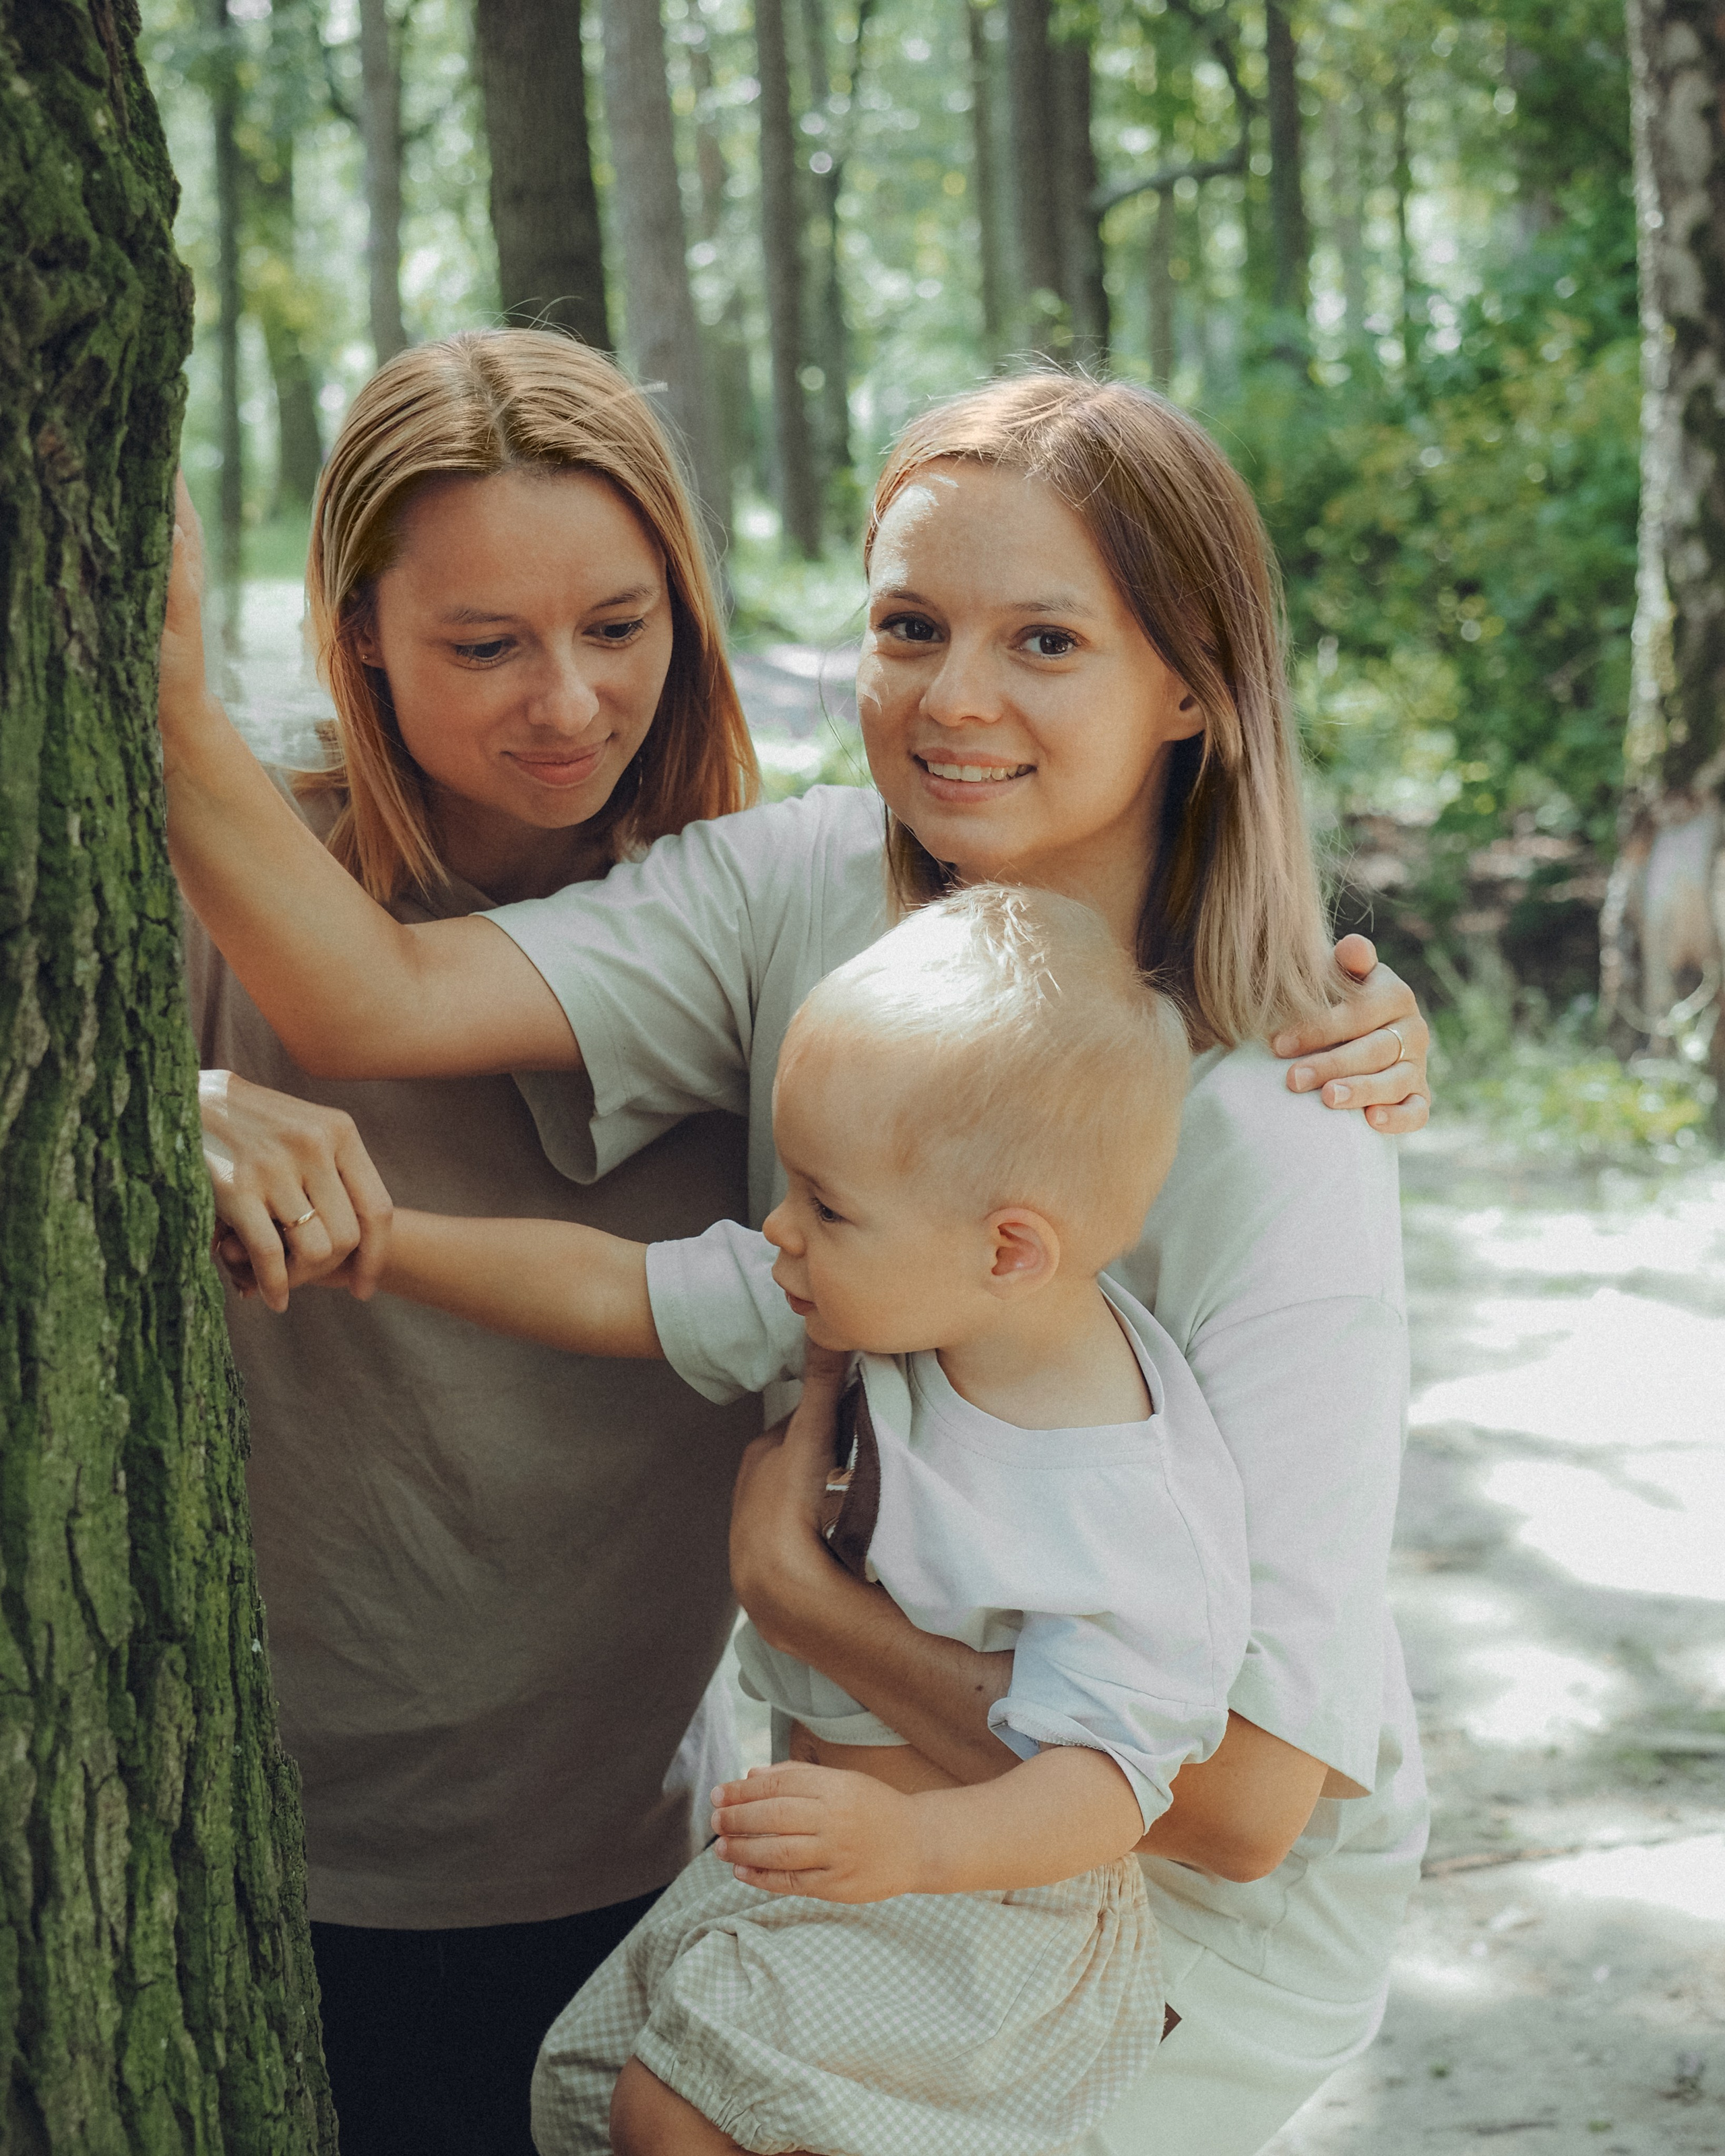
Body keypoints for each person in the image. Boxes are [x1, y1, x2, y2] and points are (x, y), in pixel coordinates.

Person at [164, 369, 1433, 2155]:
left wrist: (806, 1599)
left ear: (1194, 691)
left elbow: (1236, 1805)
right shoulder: (812, 887)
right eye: (912, 627)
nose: (956, 699)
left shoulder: (1279, 1123)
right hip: (886, 1821)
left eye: (1047, 642)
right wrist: (158, 686)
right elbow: (376, 995)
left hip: (1161, 1892)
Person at [305, 884, 1249, 2155]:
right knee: (622, 2106)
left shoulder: (1118, 1500)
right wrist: (375, 1242)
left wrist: (907, 1839)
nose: (779, 1230)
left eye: (827, 1203)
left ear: (1012, 1249)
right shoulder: (879, 1296)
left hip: (979, 1907)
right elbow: (613, 1289)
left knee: (676, 2116)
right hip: (836, 1857)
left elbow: (1108, 1787)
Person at [183, 327, 768, 2156]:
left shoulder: (777, 911)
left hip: (637, 1865)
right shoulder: (224, 875)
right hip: (256, 1861)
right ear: (355, 631)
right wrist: (172, 1110)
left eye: (618, 624)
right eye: (484, 645)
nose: (569, 704)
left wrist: (1341, 1010)